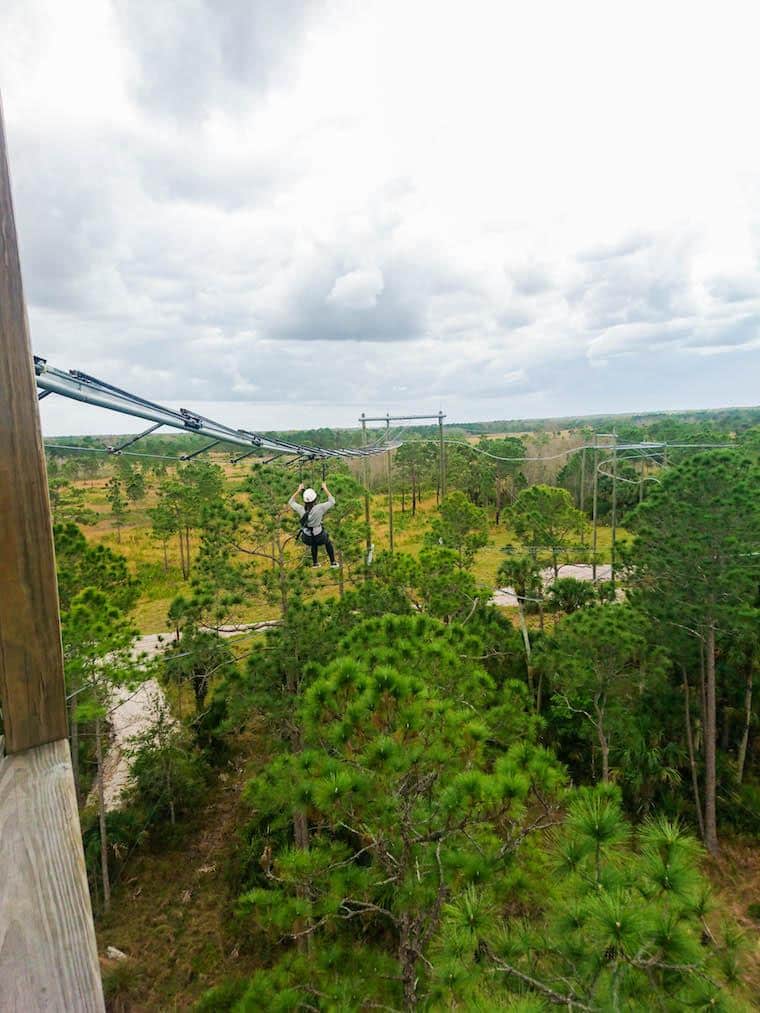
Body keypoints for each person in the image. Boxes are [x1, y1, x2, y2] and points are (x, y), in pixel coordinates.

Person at [289, 481, 339, 567]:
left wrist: (298, 490)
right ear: (315, 499)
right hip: (319, 536)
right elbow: (332, 501)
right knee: (327, 541)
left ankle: (315, 563)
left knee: (313, 543)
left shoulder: (301, 509)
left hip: (306, 537)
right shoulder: (320, 508)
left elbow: (291, 502)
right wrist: (325, 488)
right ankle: (333, 562)